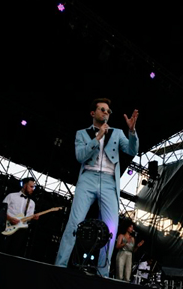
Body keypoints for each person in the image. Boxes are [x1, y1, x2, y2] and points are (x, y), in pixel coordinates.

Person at [55, 98, 139, 277]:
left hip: (109, 182)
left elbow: (132, 151)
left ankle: (102, 273)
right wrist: (97, 137)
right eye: (102, 109)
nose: (106, 112)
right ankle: (59, 266)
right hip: (88, 178)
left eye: (108, 110)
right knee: (74, 222)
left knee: (110, 229)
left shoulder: (117, 133)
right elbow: (80, 156)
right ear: (93, 113)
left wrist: (132, 132)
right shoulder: (82, 134)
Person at [0, 177, 39, 256]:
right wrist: (10, 218)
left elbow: (29, 217)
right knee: (1, 249)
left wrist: (33, 218)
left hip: (21, 230)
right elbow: (1, 211)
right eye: (31, 187)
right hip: (7, 226)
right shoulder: (11, 196)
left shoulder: (32, 203)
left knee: (14, 252)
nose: (32, 189)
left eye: (33, 187)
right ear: (24, 185)